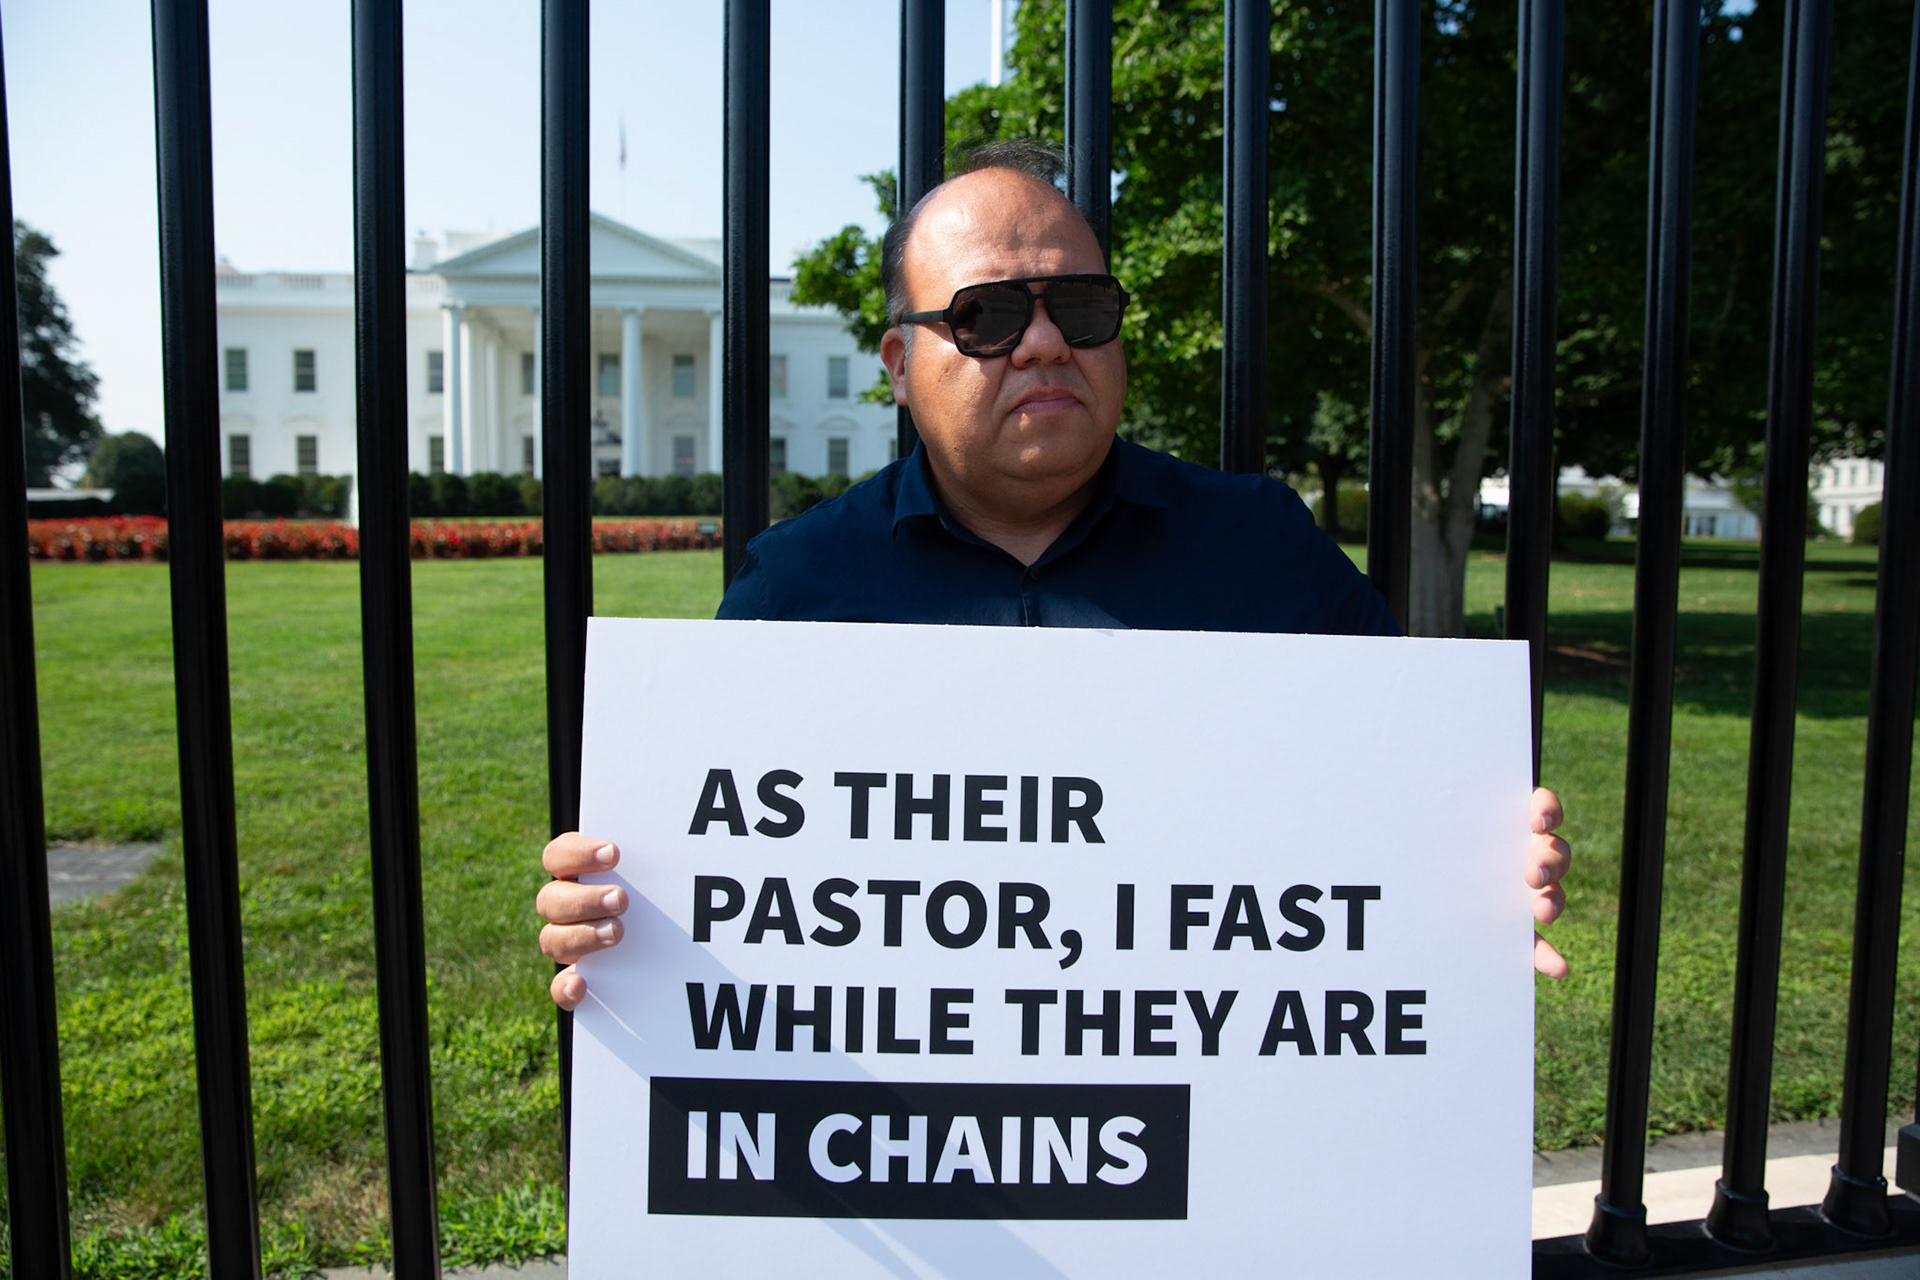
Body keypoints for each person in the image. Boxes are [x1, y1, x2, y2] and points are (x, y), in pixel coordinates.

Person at [537, 143, 1572, 1009]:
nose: (1042, 342)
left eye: (1077, 306)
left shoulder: (1265, 547)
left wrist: (1478, 878)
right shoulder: (796, 587)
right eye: (986, 315)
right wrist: (622, 919)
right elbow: (712, 872)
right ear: (898, 365)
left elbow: (1409, 807)